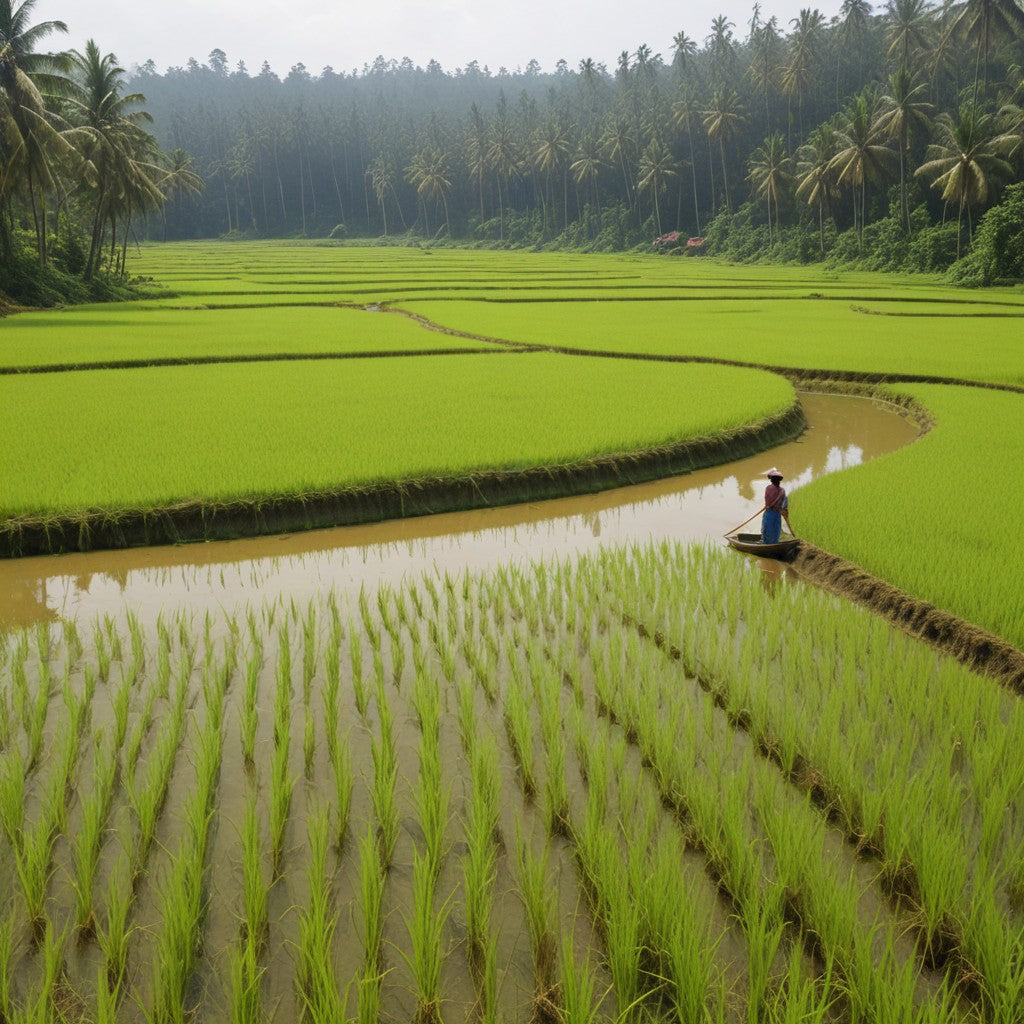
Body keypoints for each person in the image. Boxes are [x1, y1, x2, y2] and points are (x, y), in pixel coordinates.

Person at [761, 468, 789, 544]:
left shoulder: (768, 488)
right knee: (775, 530)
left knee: (767, 529)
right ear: (779, 480)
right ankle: (773, 544)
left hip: (770, 512)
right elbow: (784, 504)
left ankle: (766, 544)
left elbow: (767, 501)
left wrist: (768, 505)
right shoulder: (782, 490)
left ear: (771, 480)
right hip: (776, 513)